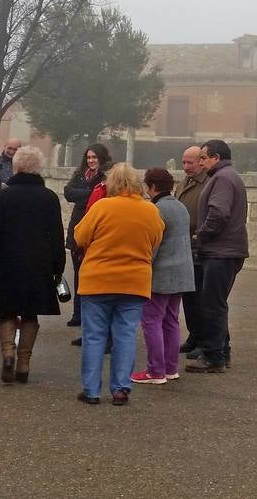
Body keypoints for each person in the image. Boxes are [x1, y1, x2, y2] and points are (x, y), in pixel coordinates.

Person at [71, 164, 163, 406]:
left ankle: (91, 390)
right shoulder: (150, 211)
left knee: (94, 336)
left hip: (98, 280)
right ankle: (121, 388)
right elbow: (156, 240)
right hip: (134, 282)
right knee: (125, 335)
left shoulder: (102, 207)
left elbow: (80, 236)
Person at [0, 146, 66, 383]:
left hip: (6, 262)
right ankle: (24, 363)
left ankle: (8, 352)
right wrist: (58, 266)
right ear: (38, 168)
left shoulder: (1, 197)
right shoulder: (49, 198)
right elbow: (56, 236)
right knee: (30, 313)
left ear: (16, 166)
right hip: (38, 264)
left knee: (6, 310)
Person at [188, 140, 248, 374]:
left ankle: (213, 357)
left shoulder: (222, 178)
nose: (201, 162)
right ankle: (221, 352)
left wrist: (200, 235)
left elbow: (219, 213)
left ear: (216, 158)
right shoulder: (226, 176)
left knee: (212, 305)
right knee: (216, 303)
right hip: (224, 251)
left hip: (221, 252)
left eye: (204, 158)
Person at [133, 167, 195, 385]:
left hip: (161, 273)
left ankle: (155, 370)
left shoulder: (156, 209)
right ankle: (170, 368)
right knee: (171, 320)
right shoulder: (180, 206)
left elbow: (153, 244)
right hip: (182, 272)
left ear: (152, 186)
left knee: (151, 320)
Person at [62, 143, 112, 330]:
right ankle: (78, 313)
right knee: (78, 274)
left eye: (94, 157)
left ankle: (91, 315)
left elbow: (101, 197)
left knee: (92, 276)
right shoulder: (80, 174)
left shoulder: (107, 176)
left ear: (101, 158)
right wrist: (90, 194)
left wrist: (83, 195)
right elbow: (68, 193)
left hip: (96, 231)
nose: (91, 161)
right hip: (77, 228)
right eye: (89, 157)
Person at [173, 145, 208, 357]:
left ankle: (205, 339)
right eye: (183, 162)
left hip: (198, 246)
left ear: (201, 162)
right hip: (184, 246)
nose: (186, 166)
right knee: (188, 297)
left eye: (190, 163)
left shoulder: (208, 183)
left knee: (201, 298)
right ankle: (194, 336)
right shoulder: (184, 182)